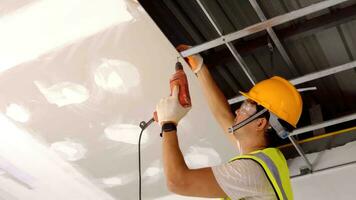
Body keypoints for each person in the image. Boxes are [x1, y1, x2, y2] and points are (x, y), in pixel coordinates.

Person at [155, 45, 302, 200]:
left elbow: (178, 182)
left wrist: (168, 124)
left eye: (246, 106)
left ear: (260, 123)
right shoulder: (264, 163)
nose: (237, 111)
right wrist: (200, 69)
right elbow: (223, 115)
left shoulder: (251, 171)